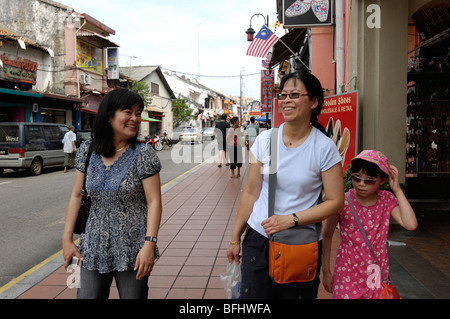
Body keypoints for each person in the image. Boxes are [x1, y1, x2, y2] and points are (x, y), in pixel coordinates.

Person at [226, 71, 345, 299]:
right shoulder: (265, 140)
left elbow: (335, 201)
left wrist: (291, 219)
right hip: (259, 238)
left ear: (313, 102)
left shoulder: (323, 147)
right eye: (283, 95)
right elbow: (251, 192)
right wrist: (235, 239)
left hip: (300, 242)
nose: (286, 100)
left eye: (294, 94)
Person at [62, 88, 162, 299]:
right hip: (93, 246)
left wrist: (149, 244)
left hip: (132, 248)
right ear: (108, 116)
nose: (135, 118)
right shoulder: (87, 150)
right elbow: (76, 196)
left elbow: (154, 202)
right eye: (128, 112)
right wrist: (67, 239)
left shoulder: (144, 154)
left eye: (138, 112)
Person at [322, 150, 418, 299]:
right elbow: (327, 234)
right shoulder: (343, 201)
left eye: (370, 180)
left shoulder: (386, 200)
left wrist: (397, 190)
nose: (361, 184)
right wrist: (326, 271)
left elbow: (410, 224)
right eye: (357, 178)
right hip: (347, 272)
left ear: (382, 180)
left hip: (375, 272)